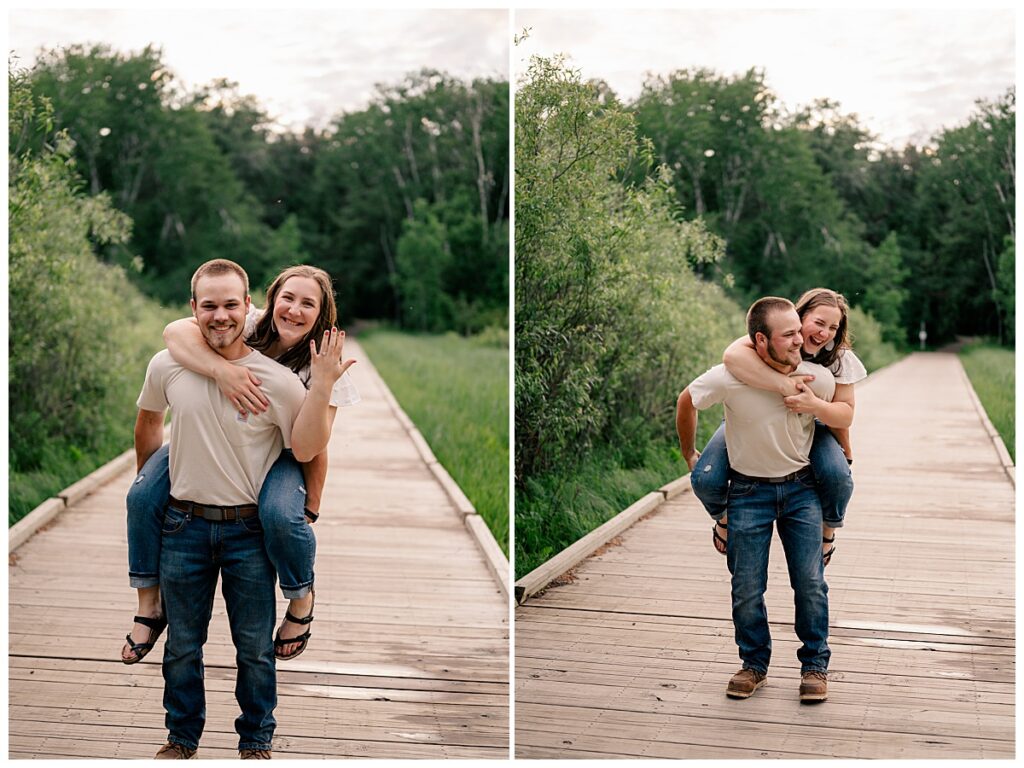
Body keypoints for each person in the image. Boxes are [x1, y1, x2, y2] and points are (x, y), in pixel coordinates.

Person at [136, 259, 345, 758]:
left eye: (231, 304)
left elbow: (310, 450)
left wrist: (309, 508)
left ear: (246, 305)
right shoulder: (172, 359)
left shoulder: (285, 380)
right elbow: (148, 416)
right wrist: (150, 483)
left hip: (248, 528)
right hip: (184, 525)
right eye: (209, 305)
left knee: (253, 647)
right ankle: (181, 738)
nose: (221, 314)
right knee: (183, 644)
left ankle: (255, 740)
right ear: (268, 305)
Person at [676, 297, 845, 702]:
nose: (799, 340)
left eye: (797, 332)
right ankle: (754, 664)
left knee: (809, 583)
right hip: (748, 493)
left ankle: (814, 666)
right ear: (760, 341)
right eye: (787, 335)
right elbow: (687, 400)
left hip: (801, 491)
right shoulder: (730, 376)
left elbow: (839, 415)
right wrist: (688, 452)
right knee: (747, 587)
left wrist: (843, 459)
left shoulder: (816, 379)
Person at [690, 288, 865, 565]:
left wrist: (843, 444)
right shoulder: (776, 336)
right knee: (706, 478)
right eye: (818, 323)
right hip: (752, 422)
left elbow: (844, 415)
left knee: (837, 475)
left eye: (833, 327)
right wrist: (783, 384)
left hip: (814, 422)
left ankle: (828, 532)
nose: (824, 333)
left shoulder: (839, 359)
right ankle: (724, 520)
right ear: (799, 317)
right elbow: (732, 356)